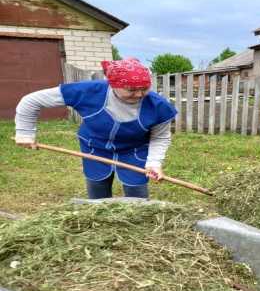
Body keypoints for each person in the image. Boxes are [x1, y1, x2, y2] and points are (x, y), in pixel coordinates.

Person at [14, 57, 177, 199]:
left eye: (144, 88)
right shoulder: (88, 91)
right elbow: (31, 101)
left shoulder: (158, 106)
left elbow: (160, 137)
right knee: (97, 187)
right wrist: (25, 133)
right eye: (131, 90)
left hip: (134, 150)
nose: (139, 94)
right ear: (113, 85)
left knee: (137, 190)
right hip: (94, 147)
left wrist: (154, 163)